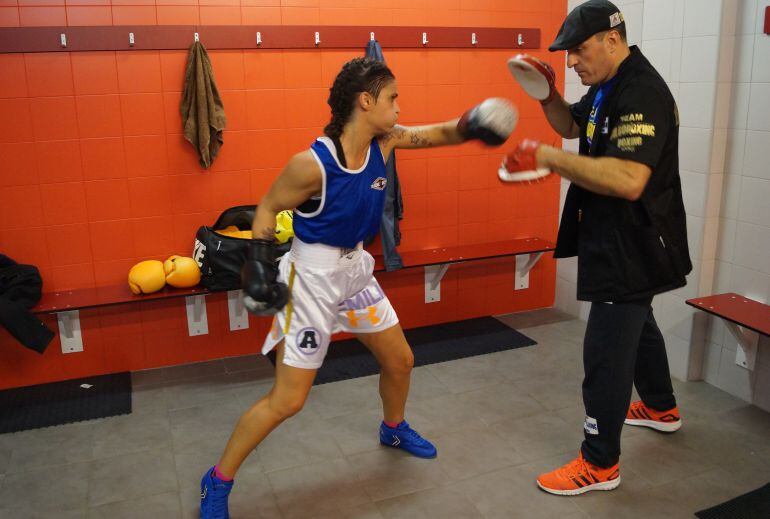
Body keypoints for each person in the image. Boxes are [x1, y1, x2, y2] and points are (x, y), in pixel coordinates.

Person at [199, 57, 517, 517]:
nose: (399, 107)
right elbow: (266, 207)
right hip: (312, 278)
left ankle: (393, 427)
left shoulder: (384, 142)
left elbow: (438, 133)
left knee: (400, 360)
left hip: (355, 271)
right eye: (393, 98)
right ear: (365, 101)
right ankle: (218, 479)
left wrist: (473, 125)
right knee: (288, 400)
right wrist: (261, 264)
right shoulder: (312, 165)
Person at [503, 0, 692, 496]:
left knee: (607, 352)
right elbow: (571, 126)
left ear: (612, 39)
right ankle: (660, 406)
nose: (571, 62)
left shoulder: (641, 91)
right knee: (638, 323)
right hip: (623, 238)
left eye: (578, 50)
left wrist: (548, 160)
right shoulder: (608, 85)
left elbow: (629, 178)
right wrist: (546, 96)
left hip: (631, 243)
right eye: (566, 54)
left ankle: (599, 463)